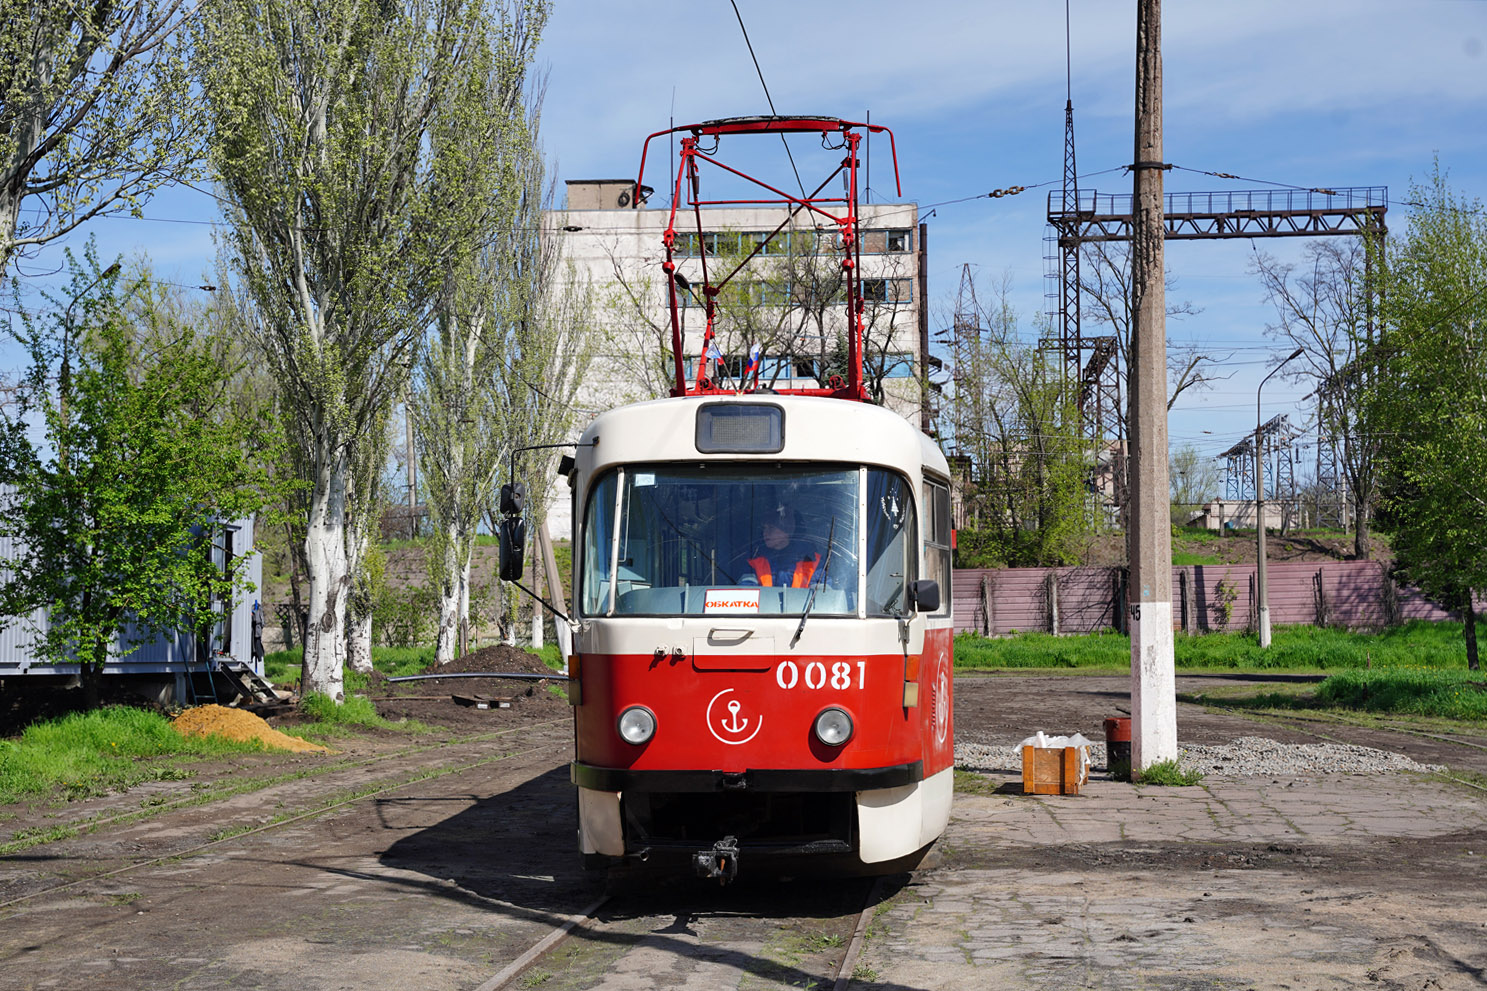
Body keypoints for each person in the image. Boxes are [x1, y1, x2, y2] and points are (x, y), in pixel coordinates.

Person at [743, 505, 820, 588]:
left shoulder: (813, 561)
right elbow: (745, 593)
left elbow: (823, 595)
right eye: (764, 528)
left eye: (771, 528)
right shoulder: (754, 560)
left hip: (807, 602)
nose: (765, 533)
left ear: (787, 530)